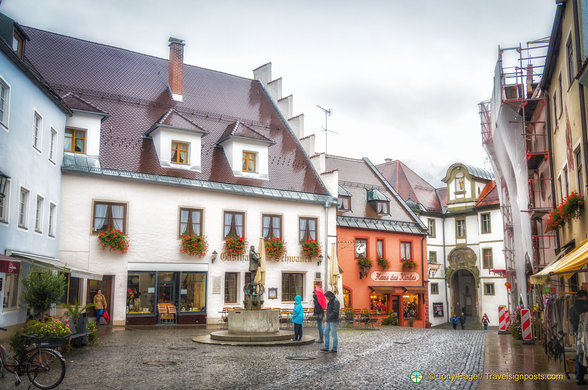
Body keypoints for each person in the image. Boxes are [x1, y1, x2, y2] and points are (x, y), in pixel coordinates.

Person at [569, 289, 588, 385]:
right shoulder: (586, 306)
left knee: (580, 353)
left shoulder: (572, 308)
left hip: (579, 334)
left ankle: (578, 377)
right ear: (584, 296)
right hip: (587, 333)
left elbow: (571, 321)